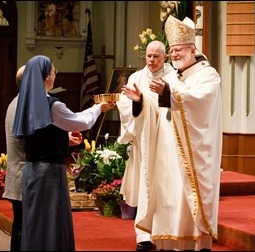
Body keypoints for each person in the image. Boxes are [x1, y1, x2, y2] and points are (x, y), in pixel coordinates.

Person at [120, 15, 222, 251]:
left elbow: (201, 102)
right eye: (173, 50)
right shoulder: (171, 77)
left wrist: (170, 95)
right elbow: (155, 108)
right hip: (166, 157)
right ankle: (168, 244)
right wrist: (140, 101)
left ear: (192, 49)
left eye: (179, 50)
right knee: (167, 199)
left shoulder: (207, 75)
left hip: (191, 156)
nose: (175, 54)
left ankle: (195, 244)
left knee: (187, 202)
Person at [12, 55, 115, 251]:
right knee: (51, 221)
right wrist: (98, 108)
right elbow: (81, 122)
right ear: (46, 77)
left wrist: (62, 139)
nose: (54, 75)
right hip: (49, 172)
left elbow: (38, 135)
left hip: (32, 171)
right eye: (53, 72)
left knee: (36, 223)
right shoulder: (52, 104)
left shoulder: (25, 102)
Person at [2, 65, 84, 251]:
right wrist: (64, 141)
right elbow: (35, 143)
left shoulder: (17, 102)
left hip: (19, 174)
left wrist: (64, 139)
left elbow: (34, 137)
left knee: (23, 229)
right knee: (27, 232)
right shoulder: (25, 106)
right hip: (27, 174)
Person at [116, 40, 175, 251]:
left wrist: (146, 100)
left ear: (165, 57)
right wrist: (138, 101)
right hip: (144, 144)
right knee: (145, 187)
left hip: (166, 145)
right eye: (149, 56)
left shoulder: (173, 77)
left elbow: (175, 106)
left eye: (156, 56)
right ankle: (143, 236)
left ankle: (164, 233)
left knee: (165, 189)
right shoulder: (136, 78)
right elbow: (125, 105)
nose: (151, 60)